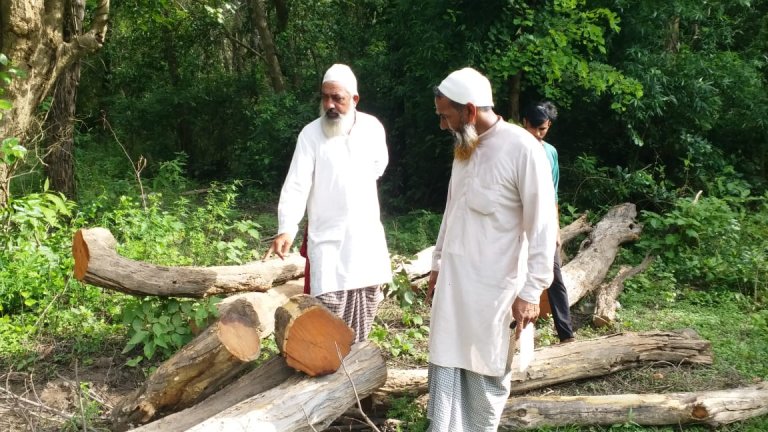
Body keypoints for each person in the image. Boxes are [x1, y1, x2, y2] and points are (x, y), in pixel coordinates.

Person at [426, 67, 558, 431]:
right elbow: (452, 210)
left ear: (469, 110)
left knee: (485, 366)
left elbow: (544, 226)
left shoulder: (523, 149)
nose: (442, 125)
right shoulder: (465, 146)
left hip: (494, 288)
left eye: (445, 115)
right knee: (446, 358)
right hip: (454, 284)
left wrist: (532, 292)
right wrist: (437, 264)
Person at [264, 63, 391, 343]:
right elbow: (297, 183)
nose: (330, 104)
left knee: (365, 304)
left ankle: (357, 368)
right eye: (325, 97)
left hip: (364, 238)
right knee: (326, 310)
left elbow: (378, 166)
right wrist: (287, 227)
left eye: (338, 98)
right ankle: (326, 374)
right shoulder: (310, 135)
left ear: (355, 100)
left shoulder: (372, 128)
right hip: (328, 240)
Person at [522, 101, 576, 344]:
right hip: (517, 223)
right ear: (524, 122)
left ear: (548, 126)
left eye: (542, 129)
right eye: (533, 128)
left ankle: (566, 334)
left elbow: (553, 194)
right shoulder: (515, 148)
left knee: (554, 276)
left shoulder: (550, 153)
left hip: (543, 223)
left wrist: (555, 228)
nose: (537, 134)